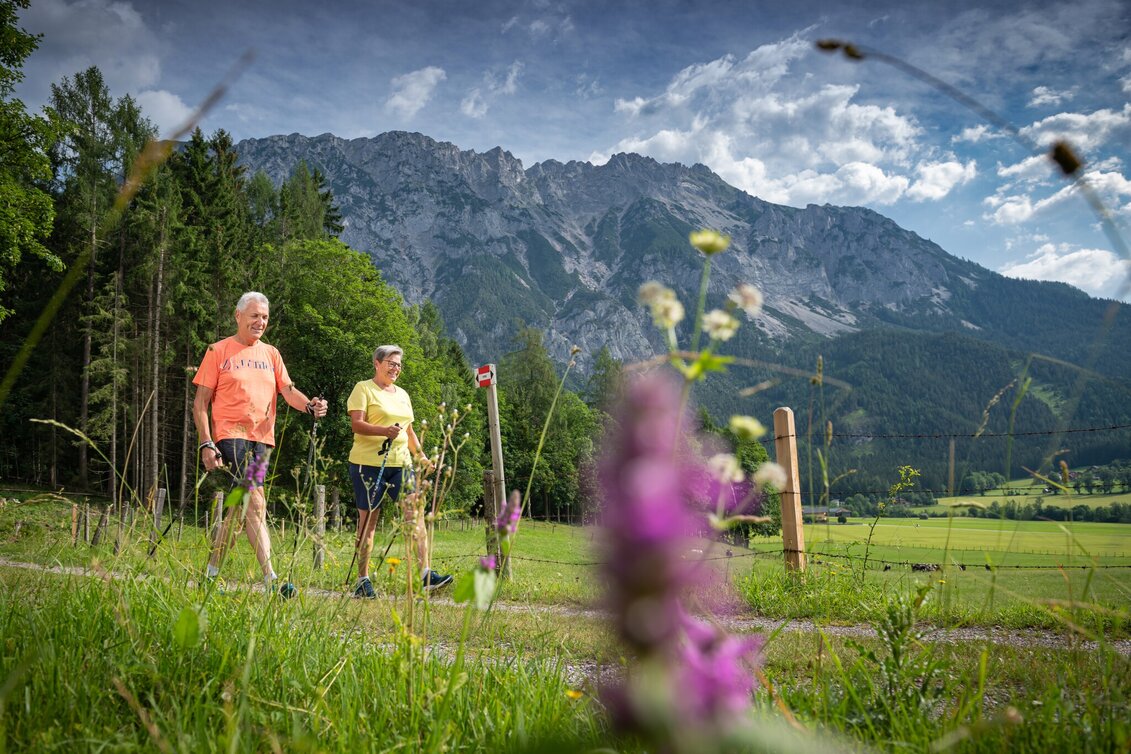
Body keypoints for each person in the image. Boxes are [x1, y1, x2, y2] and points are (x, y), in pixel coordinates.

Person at [193, 291, 328, 594]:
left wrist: (309, 406)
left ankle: (210, 575)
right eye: (254, 315)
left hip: (261, 440)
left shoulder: (271, 354)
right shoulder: (218, 350)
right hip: (231, 435)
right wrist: (206, 443)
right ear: (238, 315)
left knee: (239, 509)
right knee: (255, 501)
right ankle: (271, 580)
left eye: (265, 317)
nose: (260, 322)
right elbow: (200, 403)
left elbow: (288, 391)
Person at [348, 344, 452, 597]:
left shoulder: (403, 394)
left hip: (401, 464)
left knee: (414, 513)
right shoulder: (363, 388)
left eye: (399, 365)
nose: (396, 369)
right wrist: (384, 431)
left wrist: (422, 457)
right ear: (377, 363)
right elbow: (357, 425)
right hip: (368, 464)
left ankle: (425, 574)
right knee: (369, 521)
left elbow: (409, 431)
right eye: (391, 364)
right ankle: (362, 580)